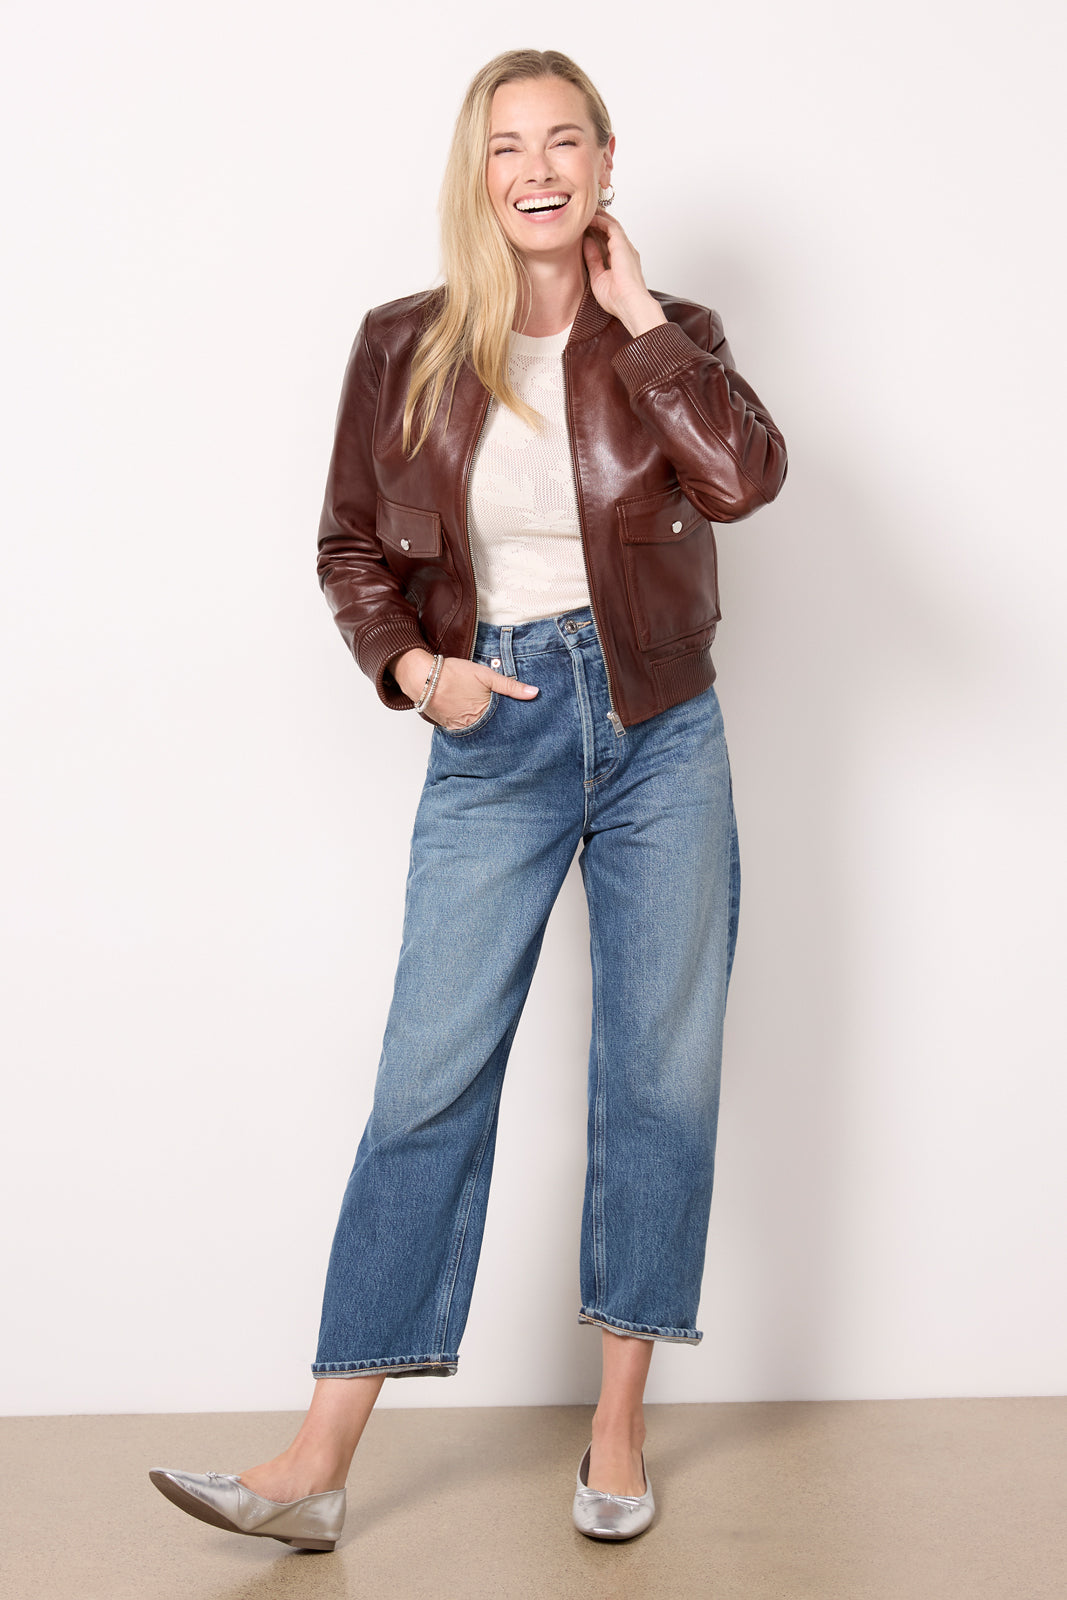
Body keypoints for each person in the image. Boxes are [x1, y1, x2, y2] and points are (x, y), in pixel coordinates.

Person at [150, 47, 786, 1551]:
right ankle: (316, 1462)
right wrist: (414, 671)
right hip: (494, 723)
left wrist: (643, 327)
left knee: (660, 1079)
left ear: (607, 163)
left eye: (565, 141)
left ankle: (618, 1428)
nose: (538, 168)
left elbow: (746, 478)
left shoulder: (677, 335)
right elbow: (349, 547)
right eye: (509, 145)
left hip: (662, 728)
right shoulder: (405, 345)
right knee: (425, 1080)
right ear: (477, 172)